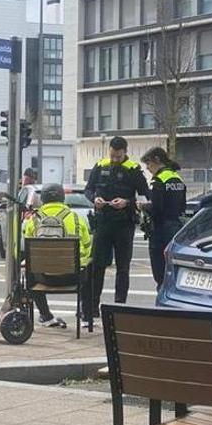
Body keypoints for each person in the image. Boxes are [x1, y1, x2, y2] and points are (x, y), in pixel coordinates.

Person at [83, 136, 149, 326]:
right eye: (112, 155)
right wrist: (94, 198)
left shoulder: (134, 170)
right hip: (103, 222)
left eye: (118, 156)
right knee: (97, 266)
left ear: (125, 153)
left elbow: (145, 194)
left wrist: (127, 202)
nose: (114, 159)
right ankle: (93, 307)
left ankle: (120, 305)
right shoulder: (100, 165)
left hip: (124, 224)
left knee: (123, 268)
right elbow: (88, 190)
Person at [23, 183, 92, 329]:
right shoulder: (76, 219)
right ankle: (85, 316)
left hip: (42, 278)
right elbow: (87, 248)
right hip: (72, 277)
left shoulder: (33, 221)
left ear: (43, 199)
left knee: (29, 272)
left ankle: (46, 316)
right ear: (63, 198)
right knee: (90, 269)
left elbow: (28, 251)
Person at [139, 147, 187, 288]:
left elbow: (156, 209)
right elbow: (182, 206)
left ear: (157, 160)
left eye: (148, 164)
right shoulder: (177, 179)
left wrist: (143, 206)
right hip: (176, 228)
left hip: (160, 230)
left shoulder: (158, 180)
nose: (147, 168)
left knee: (160, 273)